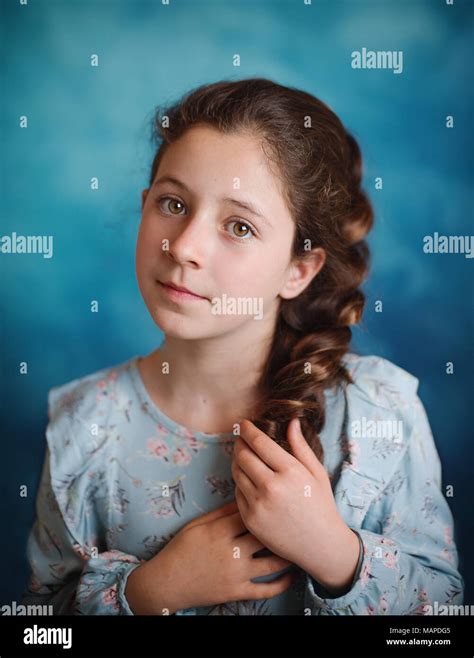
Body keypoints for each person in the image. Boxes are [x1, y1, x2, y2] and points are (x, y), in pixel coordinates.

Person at [22, 78, 463, 615]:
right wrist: (150, 592)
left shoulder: (379, 414)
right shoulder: (80, 425)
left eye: (238, 225)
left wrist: (336, 555)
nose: (184, 247)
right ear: (144, 206)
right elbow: (37, 629)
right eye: (173, 203)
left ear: (299, 269)